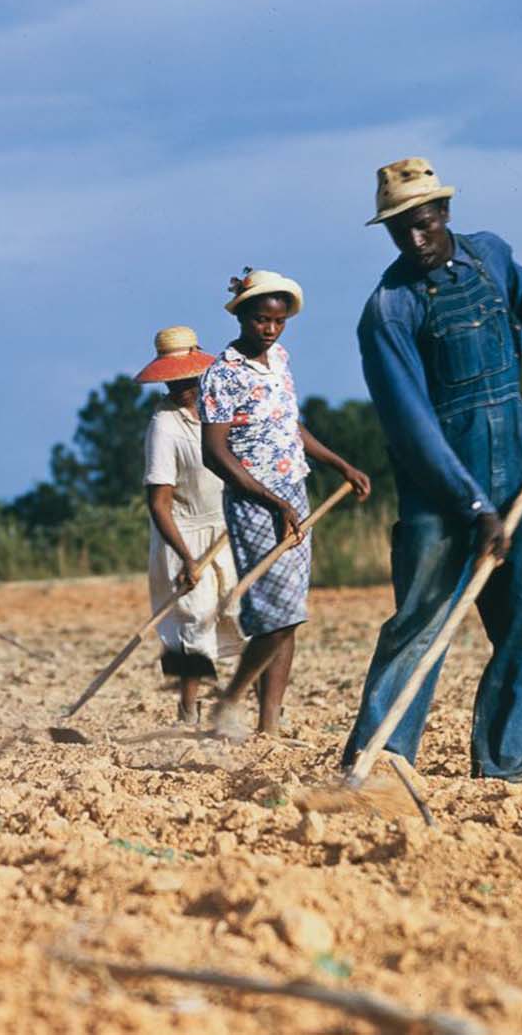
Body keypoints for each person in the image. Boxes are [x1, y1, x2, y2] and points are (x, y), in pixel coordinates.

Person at [340, 158, 522, 783]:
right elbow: (412, 428)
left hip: (521, 468)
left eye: (423, 223)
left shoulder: (491, 257)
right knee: (421, 624)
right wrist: (473, 506)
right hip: (439, 494)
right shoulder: (389, 310)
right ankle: (380, 764)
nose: (415, 240)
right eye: (400, 231)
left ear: (443, 212)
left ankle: (510, 759)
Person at [200, 269, 371, 738]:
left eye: (278, 322)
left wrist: (341, 465)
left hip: (294, 492)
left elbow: (288, 427)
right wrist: (270, 500)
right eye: (260, 320)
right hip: (254, 502)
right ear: (241, 317)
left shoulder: (280, 360)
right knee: (277, 614)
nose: (270, 330)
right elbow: (214, 452)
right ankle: (231, 699)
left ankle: (268, 723)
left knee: (290, 612)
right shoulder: (223, 374)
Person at [137, 326, 245, 722]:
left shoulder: (222, 409)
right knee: (191, 623)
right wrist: (186, 557)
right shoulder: (165, 425)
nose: (184, 386)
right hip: (182, 534)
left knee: (241, 614)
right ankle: (188, 713)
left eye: (190, 378)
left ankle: (241, 706)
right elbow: (159, 502)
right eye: (175, 380)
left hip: (227, 527)